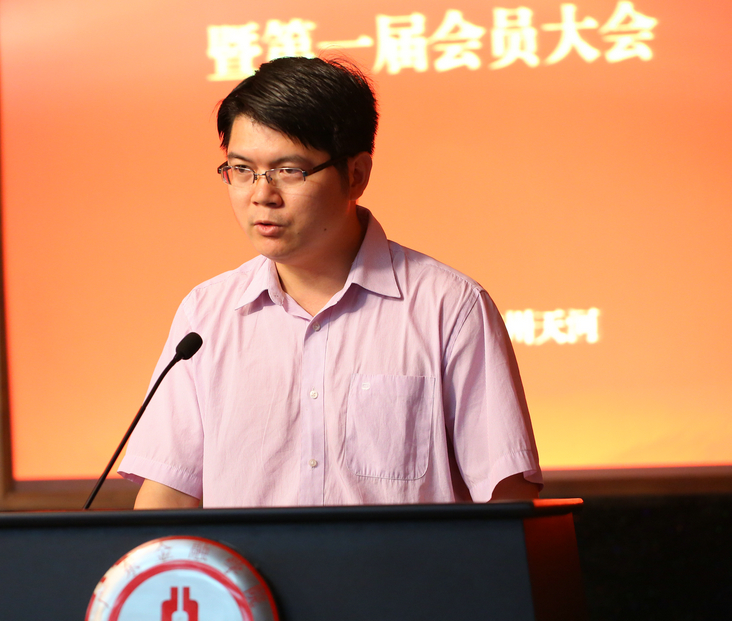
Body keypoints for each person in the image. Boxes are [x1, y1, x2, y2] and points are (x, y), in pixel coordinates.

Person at [118, 56, 542, 509]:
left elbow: (507, 501)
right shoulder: (206, 315)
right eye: (241, 170)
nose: (261, 194)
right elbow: (168, 496)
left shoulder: (449, 308)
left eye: (288, 171)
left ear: (356, 175)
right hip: (244, 562)